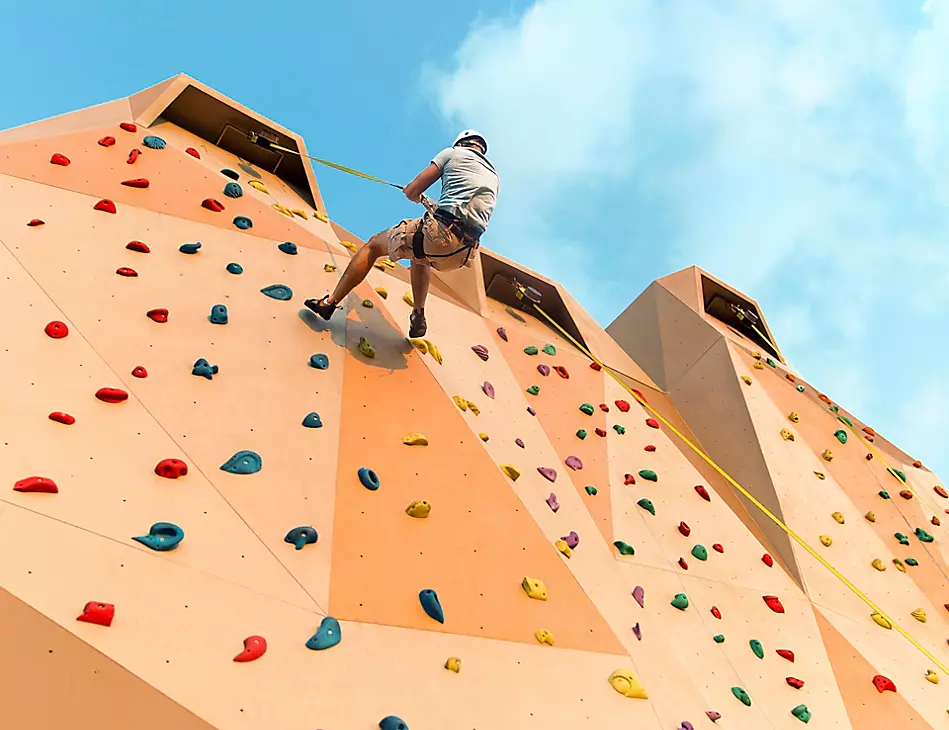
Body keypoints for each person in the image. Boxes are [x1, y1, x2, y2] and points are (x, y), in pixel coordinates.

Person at [305, 130, 499, 337]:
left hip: (440, 237)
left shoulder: (452, 154)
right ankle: (418, 314)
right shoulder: (493, 176)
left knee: (373, 246)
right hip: (463, 255)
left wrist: (413, 193)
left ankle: (329, 302)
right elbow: (464, 213)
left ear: (460, 144)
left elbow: (413, 190)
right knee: (419, 255)